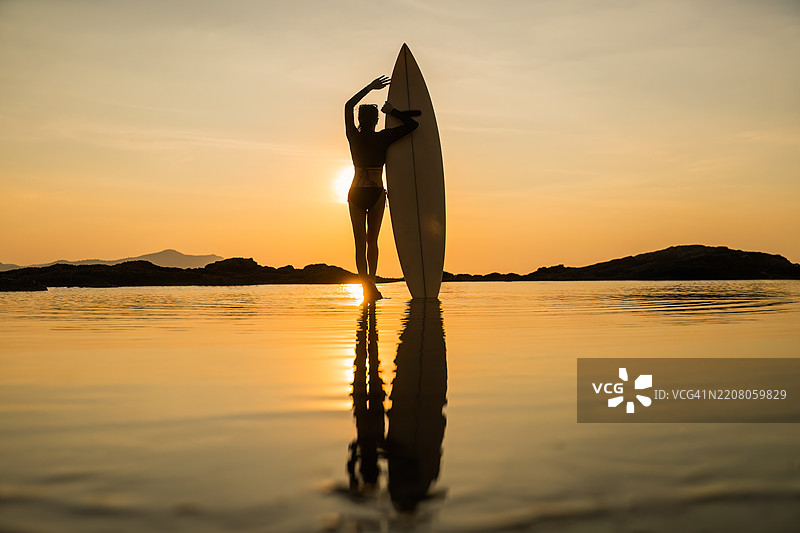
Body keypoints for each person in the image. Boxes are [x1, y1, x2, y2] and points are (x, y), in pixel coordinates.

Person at [345, 75, 419, 301]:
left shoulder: (353, 137)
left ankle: (366, 286)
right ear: (377, 120)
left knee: (359, 243)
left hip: (356, 192)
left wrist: (369, 87)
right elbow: (413, 125)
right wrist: (393, 111)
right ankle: (373, 283)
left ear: (359, 119)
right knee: (372, 242)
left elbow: (348, 105)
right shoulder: (384, 138)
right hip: (377, 192)